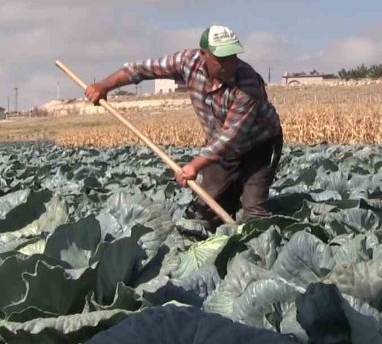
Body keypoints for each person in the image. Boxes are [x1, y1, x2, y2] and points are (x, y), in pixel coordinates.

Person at [84, 25, 283, 228]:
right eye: (222, 59)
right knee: (205, 212)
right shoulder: (188, 62)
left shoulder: (247, 84)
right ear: (203, 54)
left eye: (232, 56)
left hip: (260, 144)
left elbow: (230, 137)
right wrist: (103, 86)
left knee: (254, 212)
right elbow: (139, 70)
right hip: (220, 147)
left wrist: (193, 166)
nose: (229, 64)